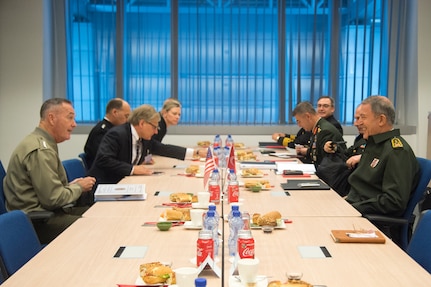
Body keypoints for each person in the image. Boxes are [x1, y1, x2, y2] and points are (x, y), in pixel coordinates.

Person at [3, 98, 96, 244]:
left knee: (99, 214)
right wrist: (79, 188)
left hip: (44, 213)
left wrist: (71, 186)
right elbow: (53, 199)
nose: (74, 124)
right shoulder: (41, 150)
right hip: (37, 222)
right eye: (70, 117)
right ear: (51, 118)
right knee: (95, 226)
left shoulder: (40, 141)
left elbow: (47, 192)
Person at [88, 104, 206, 185]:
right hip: (106, 185)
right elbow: (104, 160)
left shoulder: (143, 138)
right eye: (154, 127)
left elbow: (164, 149)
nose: (156, 132)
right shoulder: (117, 134)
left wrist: (195, 153)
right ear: (142, 123)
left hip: (125, 184)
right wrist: (133, 169)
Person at [346, 95, 420, 216]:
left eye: (363, 117)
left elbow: (393, 201)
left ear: (381, 120)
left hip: (372, 221)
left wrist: (353, 208)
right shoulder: (374, 143)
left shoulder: (396, 151)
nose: (357, 123)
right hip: (356, 207)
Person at [317, 105, 367, 196]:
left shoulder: (331, 125)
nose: (355, 123)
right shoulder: (362, 138)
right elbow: (347, 153)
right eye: (356, 119)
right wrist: (334, 147)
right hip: (351, 188)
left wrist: (364, 157)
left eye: (361, 118)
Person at [272, 96, 343, 148]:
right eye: (319, 106)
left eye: (325, 106)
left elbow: (303, 143)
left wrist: (279, 139)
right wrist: (286, 136)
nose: (321, 109)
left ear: (332, 109)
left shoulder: (329, 126)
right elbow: (301, 138)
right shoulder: (317, 124)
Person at [292, 101, 346, 166]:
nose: (299, 125)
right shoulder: (317, 127)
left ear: (308, 116)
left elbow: (325, 161)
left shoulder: (325, 130)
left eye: (299, 121)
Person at [84, 98, 131, 169]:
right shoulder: (102, 131)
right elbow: (105, 159)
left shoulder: (113, 129)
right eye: (126, 116)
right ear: (115, 112)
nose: (127, 120)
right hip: (102, 174)